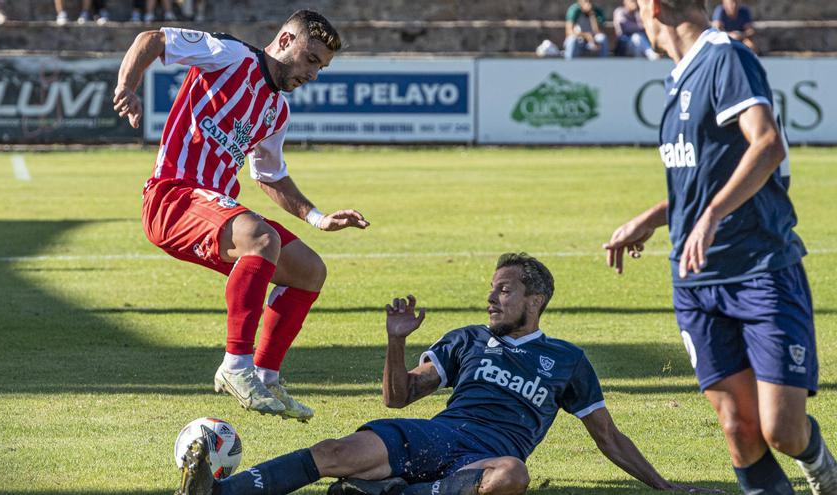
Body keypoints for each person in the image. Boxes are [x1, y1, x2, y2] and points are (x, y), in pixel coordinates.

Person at [175, 253, 712, 495]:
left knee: (512, 478)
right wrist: (396, 340)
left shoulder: (567, 360)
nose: (492, 297)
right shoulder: (467, 340)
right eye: (492, 288)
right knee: (335, 453)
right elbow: (398, 397)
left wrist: (664, 486)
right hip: (431, 434)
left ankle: (388, 491)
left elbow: (609, 437)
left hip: (487, 456)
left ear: (536, 299)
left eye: (505, 289)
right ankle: (220, 493)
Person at [603, 1, 837, 494]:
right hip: (694, 280)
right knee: (738, 429)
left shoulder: (725, 57)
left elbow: (766, 144)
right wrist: (654, 217)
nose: (634, 16)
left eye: (635, 6)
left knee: (782, 431)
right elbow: (703, 180)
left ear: (657, 7)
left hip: (759, 267)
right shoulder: (677, 76)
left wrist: (711, 216)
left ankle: (818, 461)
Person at [113, 10, 369, 421]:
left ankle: (266, 376)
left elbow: (271, 176)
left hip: (213, 207)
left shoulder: (276, 112)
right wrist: (127, 85)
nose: (314, 74)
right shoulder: (229, 55)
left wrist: (319, 218)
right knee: (261, 239)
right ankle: (236, 366)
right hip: (171, 198)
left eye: (320, 67)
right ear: (285, 40)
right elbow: (152, 38)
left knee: (308, 270)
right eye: (311, 60)